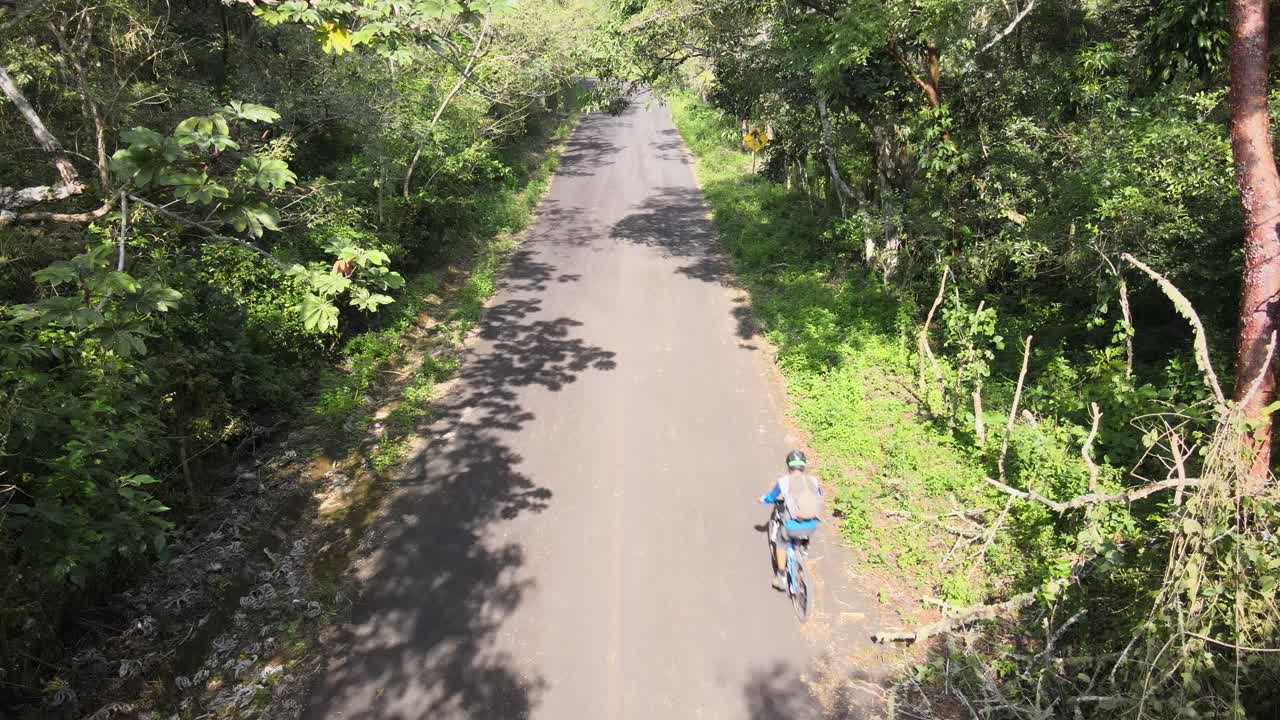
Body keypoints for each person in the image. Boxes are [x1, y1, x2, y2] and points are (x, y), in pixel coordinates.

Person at [759, 450, 822, 591]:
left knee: (782, 542)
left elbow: (772, 497)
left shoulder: (784, 482)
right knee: (805, 529)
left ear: (789, 465)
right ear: (803, 466)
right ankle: (803, 550)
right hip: (813, 525)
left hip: (792, 526)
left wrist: (764, 499)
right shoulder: (814, 481)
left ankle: (781, 576)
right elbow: (817, 497)